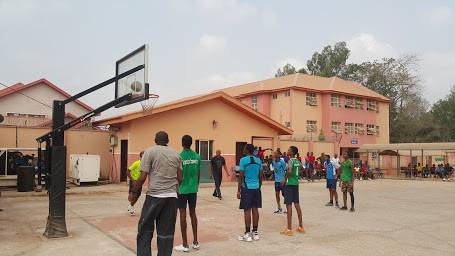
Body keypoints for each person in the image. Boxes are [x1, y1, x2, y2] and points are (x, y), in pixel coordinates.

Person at [129, 131, 182, 256]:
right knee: (166, 233)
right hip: (172, 197)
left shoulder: (150, 152)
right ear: (168, 140)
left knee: (145, 229)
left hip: (154, 196)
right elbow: (180, 178)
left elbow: (142, 177)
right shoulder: (176, 154)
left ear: (155, 140)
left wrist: (134, 193)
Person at [175, 135, 201, 252]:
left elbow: (178, 176)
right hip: (193, 189)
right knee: (193, 213)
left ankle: (185, 244)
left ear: (182, 143)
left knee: (182, 215)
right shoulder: (197, 156)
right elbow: (198, 174)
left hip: (182, 190)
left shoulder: (179, 157)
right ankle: (195, 242)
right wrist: (195, 185)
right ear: (191, 143)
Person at [237, 144, 263, 242]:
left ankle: (247, 234)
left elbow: (241, 175)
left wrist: (239, 190)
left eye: (244, 148)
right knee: (255, 209)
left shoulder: (243, 160)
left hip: (246, 188)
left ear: (247, 150)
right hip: (256, 187)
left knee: (247, 210)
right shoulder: (258, 160)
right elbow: (261, 176)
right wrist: (259, 186)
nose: (243, 150)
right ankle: (255, 233)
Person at [280, 146, 305, 236]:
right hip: (296, 184)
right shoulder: (297, 161)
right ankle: (301, 227)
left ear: (292, 152)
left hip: (289, 184)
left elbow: (289, 171)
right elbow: (303, 168)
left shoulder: (290, 161)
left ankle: (289, 229)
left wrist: (284, 179)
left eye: (289, 150)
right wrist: (297, 175)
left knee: (289, 205)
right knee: (297, 204)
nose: (287, 151)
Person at [127, 151, 144, 216]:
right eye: (143, 155)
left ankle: (131, 206)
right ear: (141, 156)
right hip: (134, 181)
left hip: (140, 182)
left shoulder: (146, 164)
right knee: (133, 195)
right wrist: (133, 180)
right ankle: (131, 208)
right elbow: (128, 171)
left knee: (137, 196)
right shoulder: (136, 163)